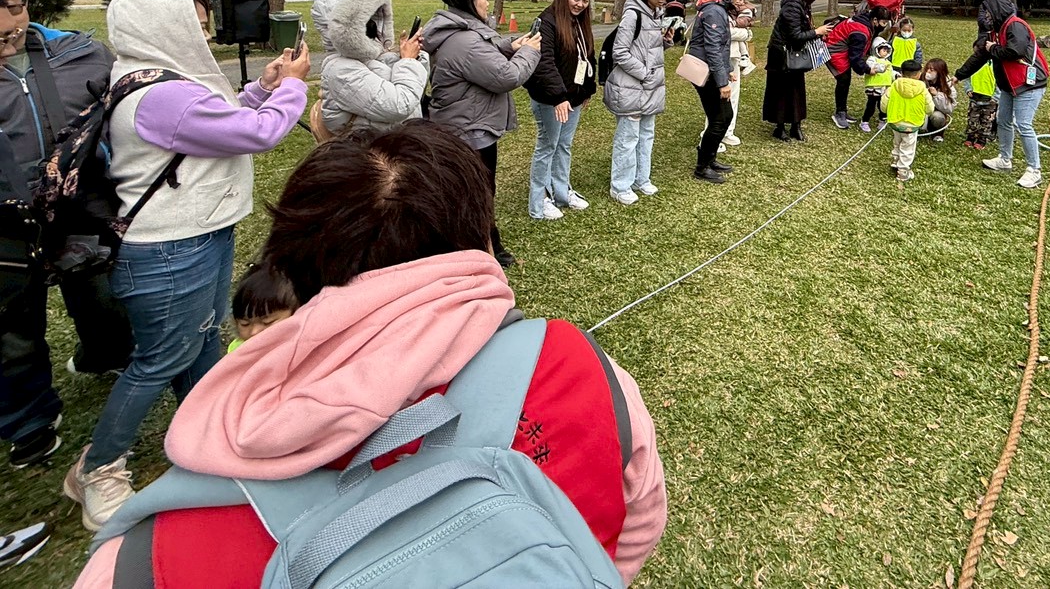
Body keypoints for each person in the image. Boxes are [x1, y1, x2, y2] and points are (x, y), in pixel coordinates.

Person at [71, 121, 667, 587]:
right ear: (479, 240)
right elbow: (635, 522)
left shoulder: (146, 557)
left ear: (291, 265)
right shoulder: (577, 368)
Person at [64, 0, 309, 531]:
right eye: (194, 24)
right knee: (161, 359)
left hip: (197, 235)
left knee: (200, 340)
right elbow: (258, 132)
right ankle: (97, 468)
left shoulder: (156, 82)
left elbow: (213, 125)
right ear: (161, 27)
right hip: (169, 247)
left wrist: (261, 87)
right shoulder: (160, 95)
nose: (204, 33)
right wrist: (292, 88)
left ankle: (209, 435)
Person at [0, 0, 134, 471]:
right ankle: (29, 422)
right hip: (6, 222)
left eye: (14, 13)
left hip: (81, 203)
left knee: (100, 292)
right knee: (11, 323)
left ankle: (107, 353)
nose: (8, 33)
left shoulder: (80, 53)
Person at [421, 0, 541, 266]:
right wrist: (529, 52)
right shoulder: (465, 41)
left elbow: (486, 52)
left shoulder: (458, 30)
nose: (488, 2)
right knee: (479, 192)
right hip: (470, 130)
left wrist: (511, 46)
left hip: (464, 123)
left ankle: (486, 243)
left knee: (474, 189)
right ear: (469, 0)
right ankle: (484, 250)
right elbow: (507, 76)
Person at [526, 0, 598, 218]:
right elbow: (543, 63)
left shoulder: (579, 22)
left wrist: (587, 89)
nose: (580, 4)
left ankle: (562, 191)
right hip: (550, 99)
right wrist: (558, 97)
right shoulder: (547, 21)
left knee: (564, 146)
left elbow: (588, 57)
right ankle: (540, 201)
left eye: (585, 1)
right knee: (547, 146)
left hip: (572, 97)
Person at [315, 0, 428, 137]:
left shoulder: (372, 58)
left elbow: (416, 89)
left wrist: (410, 56)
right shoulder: (341, 70)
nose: (372, 27)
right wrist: (408, 61)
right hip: (369, 148)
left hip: (398, 142)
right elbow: (400, 105)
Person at [965, 0, 1050, 189]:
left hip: (1028, 84)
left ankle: (1034, 170)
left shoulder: (1015, 25)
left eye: (988, 13)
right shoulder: (995, 31)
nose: (985, 17)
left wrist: (994, 48)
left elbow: (1015, 51)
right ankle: (1005, 159)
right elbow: (980, 56)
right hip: (1009, 86)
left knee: (1023, 125)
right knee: (1003, 120)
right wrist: (958, 76)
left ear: (997, 11)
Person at [605, 0, 671, 205]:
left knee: (646, 135)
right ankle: (620, 186)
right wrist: (644, 73)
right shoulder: (633, 15)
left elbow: (646, 48)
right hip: (631, 87)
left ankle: (641, 179)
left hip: (649, 87)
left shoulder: (656, 14)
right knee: (627, 138)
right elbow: (620, 52)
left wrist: (665, 42)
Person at [761, 0, 830, 142]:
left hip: (795, 52)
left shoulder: (803, 4)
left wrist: (817, 33)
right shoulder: (792, 5)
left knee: (796, 89)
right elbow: (795, 35)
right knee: (780, 90)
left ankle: (795, 124)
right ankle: (780, 127)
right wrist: (817, 32)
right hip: (782, 53)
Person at [686, 0, 738, 182]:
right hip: (706, 73)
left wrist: (727, 70)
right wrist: (722, 81)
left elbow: (719, 47)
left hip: (712, 71)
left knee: (724, 116)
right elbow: (713, 48)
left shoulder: (715, 7)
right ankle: (702, 167)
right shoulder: (714, 10)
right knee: (719, 119)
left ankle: (710, 158)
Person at [226, 260, 299, 353]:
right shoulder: (238, 350)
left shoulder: (306, 352)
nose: (254, 332)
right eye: (245, 324)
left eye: (267, 322)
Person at [882, 60, 933, 182]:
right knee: (908, 147)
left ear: (902, 73)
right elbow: (930, 108)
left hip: (895, 121)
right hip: (912, 123)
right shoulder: (923, 89)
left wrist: (886, 111)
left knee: (897, 141)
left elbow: (884, 104)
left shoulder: (894, 86)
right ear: (918, 74)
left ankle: (895, 160)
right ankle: (903, 171)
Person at [825, 6, 875, 130]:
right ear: (875, 20)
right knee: (843, 80)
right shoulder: (860, 32)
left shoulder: (862, 22)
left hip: (840, 48)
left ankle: (842, 110)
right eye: (884, 22)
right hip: (834, 50)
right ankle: (840, 113)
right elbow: (855, 57)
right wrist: (867, 69)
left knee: (845, 80)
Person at [723, 0, 756, 147]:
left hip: (734, 56)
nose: (740, 1)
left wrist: (745, 33)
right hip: (723, 56)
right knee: (721, 97)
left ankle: (728, 131)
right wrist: (746, 34)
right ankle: (715, 132)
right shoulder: (720, 10)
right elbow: (725, 32)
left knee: (734, 96)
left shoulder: (740, 12)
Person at [858, 36, 895, 133]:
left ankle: (882, 120)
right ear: (876, 49)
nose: (885, 52)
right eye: (883, 50)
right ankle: (864, 121)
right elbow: (872, 67)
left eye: (887, 50)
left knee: (882, 106)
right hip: (873, 88)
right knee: (871, 106)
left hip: (884, 88)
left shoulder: (888, 62)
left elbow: (891, 72)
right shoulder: (872, 59)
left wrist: (896, 75)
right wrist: (881, 68)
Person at [922, 57, 955, 141]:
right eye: (927, 69)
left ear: (939, 72)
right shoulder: (920, 79)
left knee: (937, 117)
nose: (928, 71)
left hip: (935, 111)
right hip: (921, 109)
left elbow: (949, 108)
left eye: (932, 70)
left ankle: (937, 133)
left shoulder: (947, 84)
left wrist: (936, 95)